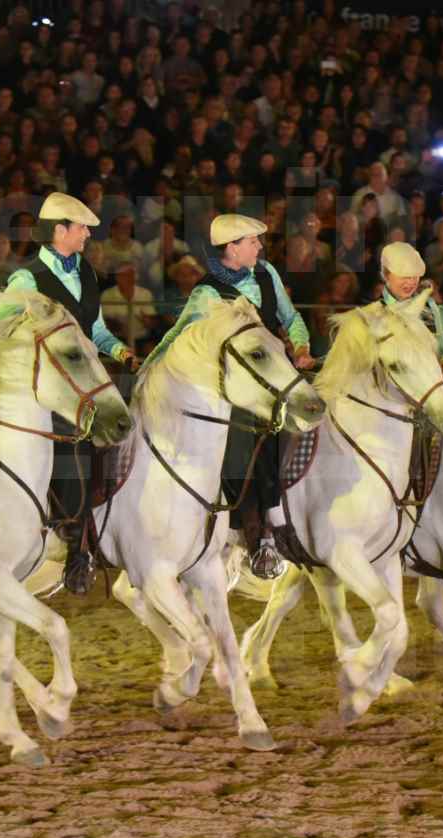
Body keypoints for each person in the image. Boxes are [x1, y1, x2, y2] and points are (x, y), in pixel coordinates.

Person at [0, 193, 140, 591]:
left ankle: (90, 539)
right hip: (46, 388)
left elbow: (95, 331)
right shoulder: (27, 280)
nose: (87, 234)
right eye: (81, 227)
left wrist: (120, 351)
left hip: (81, 380)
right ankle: (66, 541)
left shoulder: (85, 273)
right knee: (71, 454)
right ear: (60, 231)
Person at [148, 213, 314, 579]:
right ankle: (257, 530)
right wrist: (147, 368)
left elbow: (291, 318)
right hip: (236, 385)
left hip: (274, 374)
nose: (259, 246)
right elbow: (177, 334)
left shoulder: (267, 273)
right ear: (232, 247)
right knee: (244, 439)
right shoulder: (207, 293)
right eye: (253, 241)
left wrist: (300, 344)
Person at [376, 241, 443, 377]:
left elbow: (441, 343)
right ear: (386, 275)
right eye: (404, 277)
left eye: (414, 276)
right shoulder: (376, 312)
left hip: (430, 385)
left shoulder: (429, 306)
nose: (411, 283)